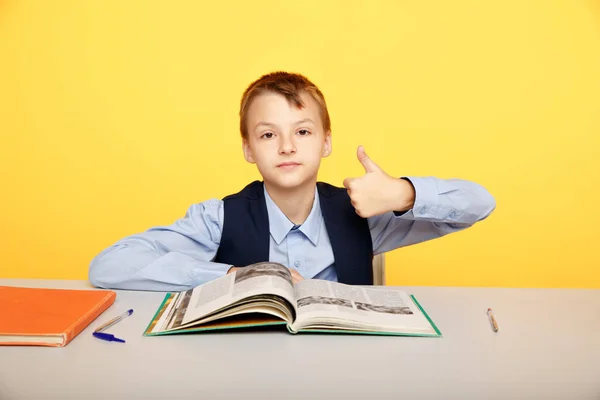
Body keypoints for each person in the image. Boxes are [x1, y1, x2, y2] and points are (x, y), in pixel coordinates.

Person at [89, 71, 496, 292]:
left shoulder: (366, 213)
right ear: (249, 148)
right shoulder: (218, 218)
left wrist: (403, 193)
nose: (286, 146)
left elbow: (480, 204)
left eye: (302, 132)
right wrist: (235, 276)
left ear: (325, 142)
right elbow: (109, 265)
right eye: (268, 134)